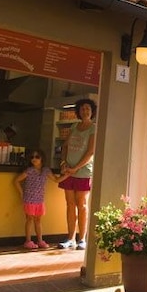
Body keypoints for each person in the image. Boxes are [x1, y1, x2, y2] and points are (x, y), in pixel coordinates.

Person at [59, 98, 97, 250]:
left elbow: (91, 151)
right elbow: (65, 146)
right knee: (70, 205)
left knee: (82, 205)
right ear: (78, 112)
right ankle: (70, 238)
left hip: (83, 172)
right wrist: (63, 163)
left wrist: (75, 168)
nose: (85, 111)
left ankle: (82, 239)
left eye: (87, 108)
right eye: (82, 109)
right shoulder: (74, 126)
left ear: (92, 111)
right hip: (68, 171)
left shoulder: (94, 128)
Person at [14, 149, 67, 249]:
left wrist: (68, 174)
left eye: (37, 157)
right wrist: (22, 193)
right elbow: (16, 180)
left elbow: (56, 180)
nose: (34, 159)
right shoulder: (29, 170)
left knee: (38, 220)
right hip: (29, 199)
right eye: (32, 157)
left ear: (42, 158)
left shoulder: (46, 170)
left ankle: (40, 240)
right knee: (29, 219)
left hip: (40, 200)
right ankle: (28, 241)